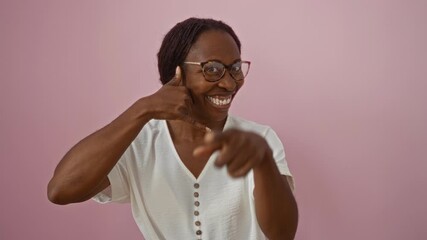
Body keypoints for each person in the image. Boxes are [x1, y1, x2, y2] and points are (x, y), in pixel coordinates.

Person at [47, 17, 298, 240]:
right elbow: (61, 190)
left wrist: (263, 159)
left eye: (234, 68)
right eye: (212, 69)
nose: (229, 83)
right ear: (176, 73)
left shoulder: (259, 139)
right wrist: (142, 109)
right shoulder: (139, 144)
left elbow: (282, 234)